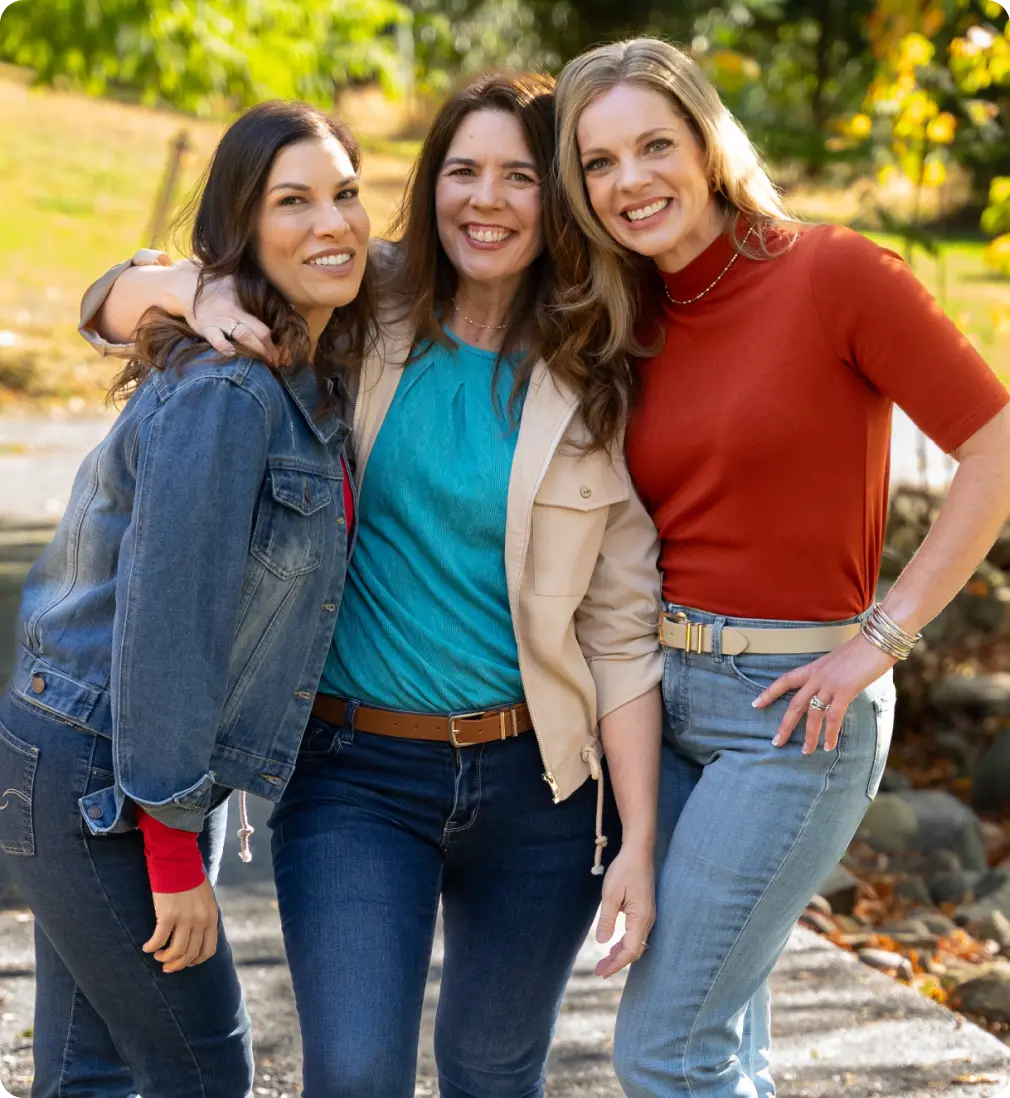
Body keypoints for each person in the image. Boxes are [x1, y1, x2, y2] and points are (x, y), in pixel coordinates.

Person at [80, 73, 663, 1098]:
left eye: (518, 176)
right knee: (353, 1076)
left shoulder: (594, 369)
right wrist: (192, 289)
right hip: (353, 772)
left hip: (538, 788)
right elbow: (107, 304)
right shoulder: (361, 303)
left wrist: (639, 846)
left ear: (558, 198)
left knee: (493, 1073)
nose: (485, 199)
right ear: (430, 185)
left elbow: (619, 630)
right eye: (461, 171)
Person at [552, 37, 1010, 1098]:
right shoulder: (628, 316)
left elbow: (993, 442)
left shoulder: (834, 273)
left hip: (792, 714)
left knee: (667, 1049)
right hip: (661, 704)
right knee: (723, 1041)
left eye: (653, 145)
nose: (629, 182)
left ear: (706, 143)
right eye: (598, 163)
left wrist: (882, 637)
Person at [0, 99, 373, 1097]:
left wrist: (158, 281)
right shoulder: (232, 394)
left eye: (345, 193)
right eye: (291, 202)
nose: (330, 223)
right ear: (243, 232)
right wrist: (170, 846)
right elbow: (169, 627)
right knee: (203, 1069)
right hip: (102, 777)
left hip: (97, 757)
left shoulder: (309, 359)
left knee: (90, 1070)